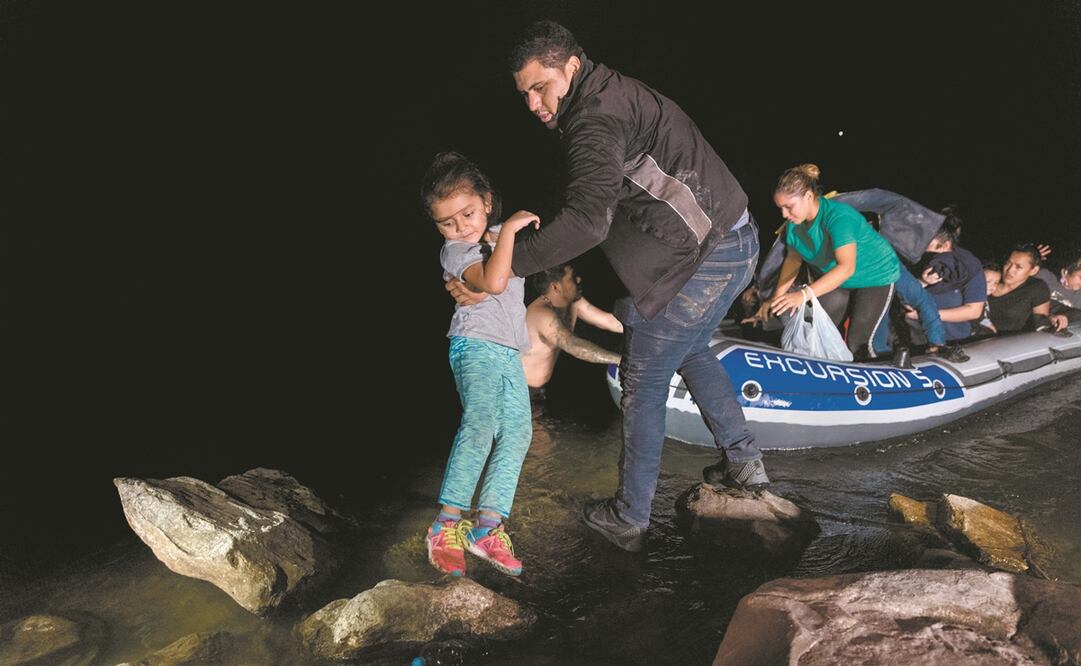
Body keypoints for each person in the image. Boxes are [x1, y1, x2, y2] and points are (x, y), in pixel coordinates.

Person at [451, 20, 765, 552]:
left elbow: (588, 223)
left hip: (706, 258)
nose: (532, 103)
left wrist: (503, 272)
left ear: (571, 67)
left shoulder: (593, 118)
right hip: (734, 239)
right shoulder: (608, 93)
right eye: (524, 92)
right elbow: (584, 195)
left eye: (539, 87)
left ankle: (630, 516)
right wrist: (506, 239)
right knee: (691, 352)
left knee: (642, 375)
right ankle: (746, 466)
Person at [420, 151, 541, 577]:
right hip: (474, 345)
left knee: (519, 432)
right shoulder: (456, 252)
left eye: (467, 214)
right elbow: (491, 280)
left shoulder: (492, 238)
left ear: (487, 201)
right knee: (481, 423)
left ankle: (487, 527)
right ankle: (445, 524)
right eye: (446, 222)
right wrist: (507, 230)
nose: (459, 227)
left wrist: (501, 235)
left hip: (509, 349)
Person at [752, 165, 901, 360]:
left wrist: (803, 294)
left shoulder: (838, 217)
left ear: (807, 196)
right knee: (813, 331)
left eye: (789, 207)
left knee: (858, 342)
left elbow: (846, 267)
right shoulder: (794, 227)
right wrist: (775, 298)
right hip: (836, 278)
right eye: (780, 208)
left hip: (875, 275)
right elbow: (793, 261)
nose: (784, 215)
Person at [521, 263, 623, 401]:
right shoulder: (541, 314)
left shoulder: (573, 303)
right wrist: (620, 360)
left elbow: (610, 322)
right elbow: (572, 345)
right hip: (519, 391)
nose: (579, 279)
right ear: (556, 287)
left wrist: (652, 331)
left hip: (540, 390)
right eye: (573, 278)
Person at [915, 208, 987, 342]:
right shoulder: (914, 258)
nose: (922, 248)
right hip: (913, 339)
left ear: (945, 244)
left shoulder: (969, 265)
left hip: (952, 341)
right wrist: (922, 281)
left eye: (927, 243)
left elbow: (974, 310)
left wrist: (926, 314)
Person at [985, 244, 1060, 333]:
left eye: (1018, 267)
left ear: (1033, 270)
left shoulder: (1036, 288)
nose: (1009, 270)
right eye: (1008, 263)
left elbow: (1041, 323)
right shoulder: (989, 278)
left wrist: (1052, 319)